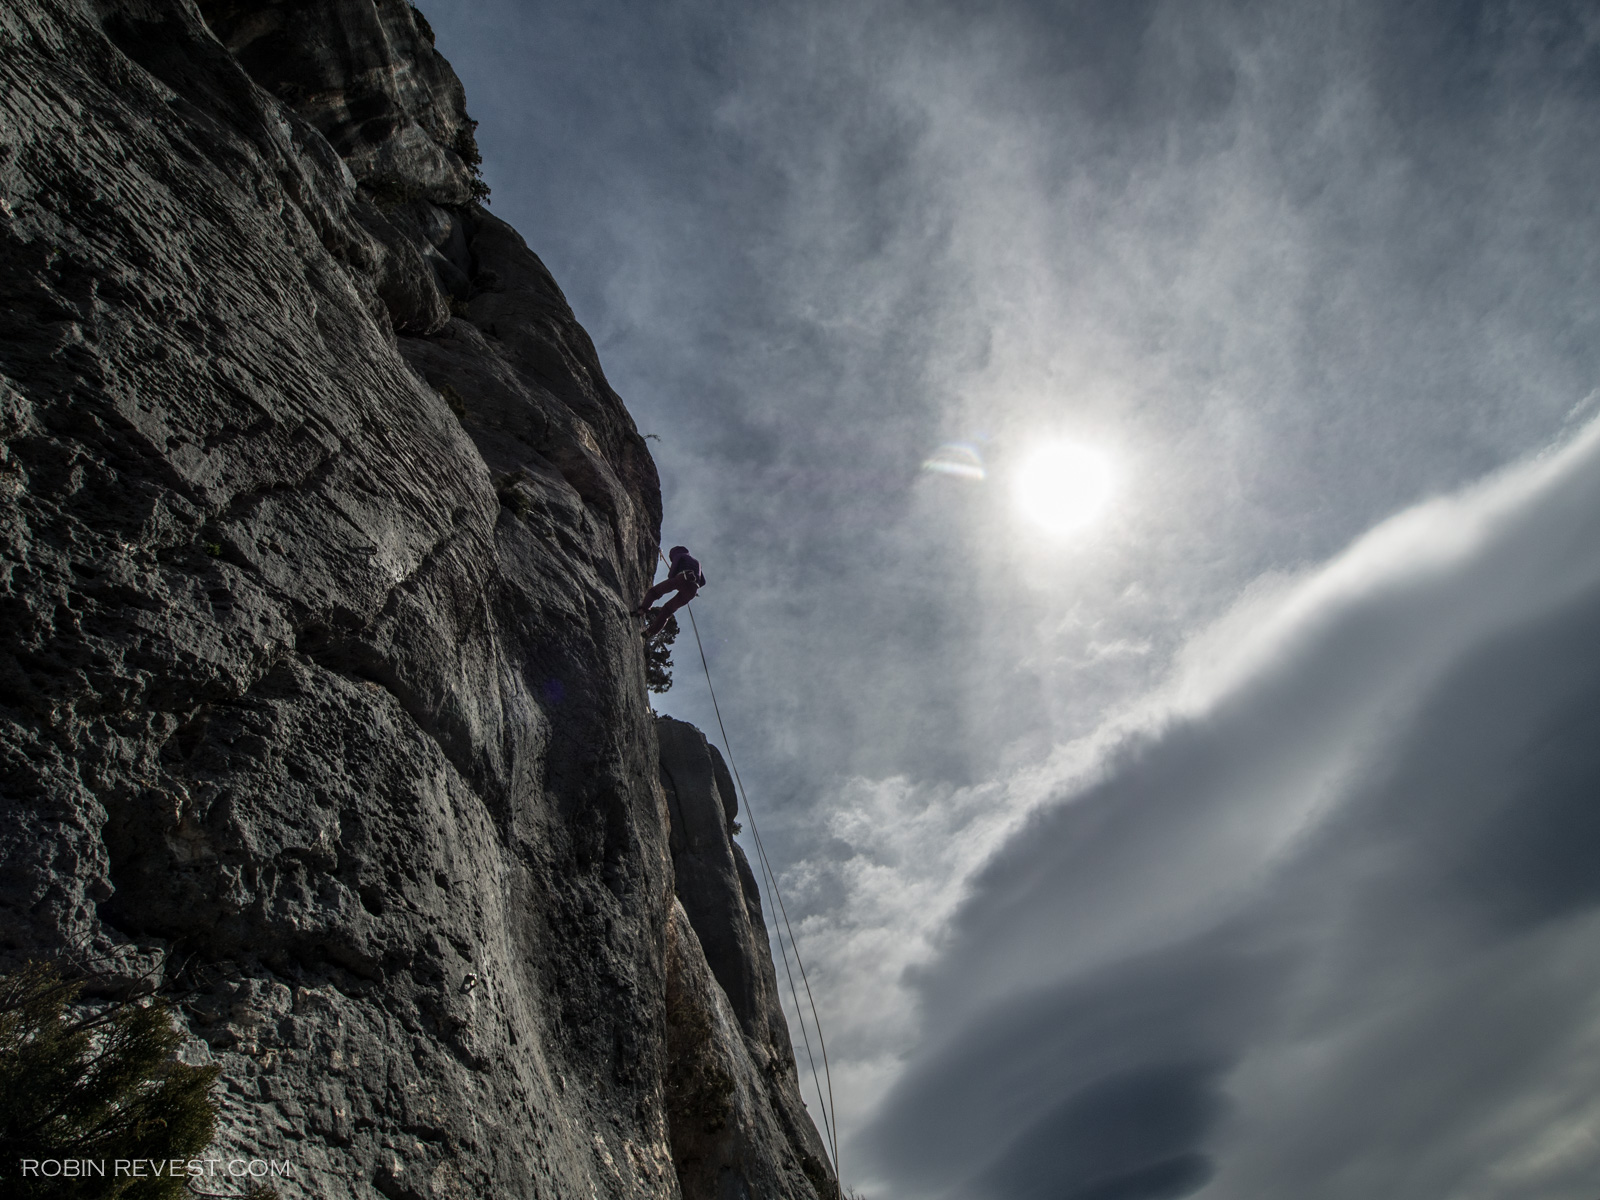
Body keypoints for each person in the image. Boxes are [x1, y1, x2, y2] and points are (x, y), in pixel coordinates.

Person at [637, 546, 706, 639]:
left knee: (655, 592)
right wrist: (692, 587)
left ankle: (642, 610)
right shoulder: (698, 563)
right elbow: (703, 582)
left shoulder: (680, 555)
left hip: (682, 578)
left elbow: (673, 571)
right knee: (668, 610)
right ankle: (650, 632)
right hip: (693, 590)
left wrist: (673, 577)